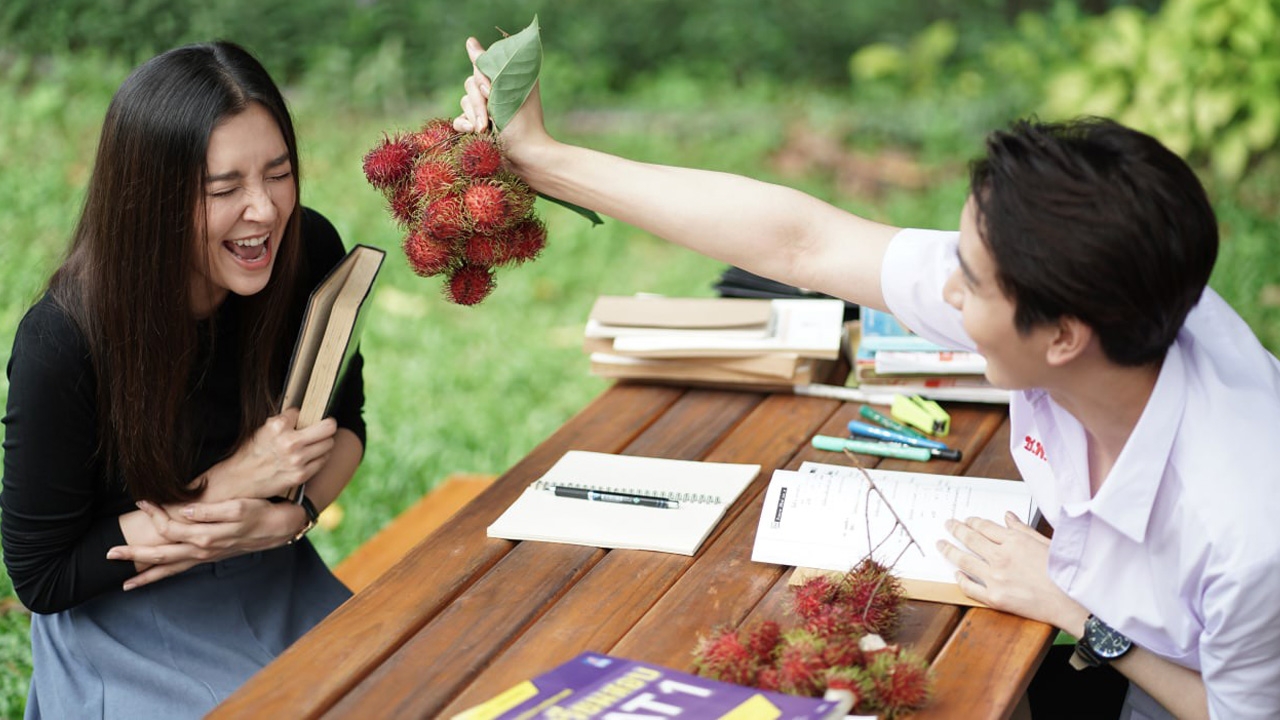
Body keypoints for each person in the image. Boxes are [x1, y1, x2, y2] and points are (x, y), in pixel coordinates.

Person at [452, 36, 1280, 720]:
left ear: (1065, 335)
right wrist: (543, 161)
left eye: (972, 282)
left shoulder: (1246, 524)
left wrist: (1081, 614)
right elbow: (804, 243)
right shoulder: (1100, 294)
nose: (945, 294)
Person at [1, 41, 366, 718]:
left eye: (279, 174)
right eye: (225, 189)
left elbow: (347, 424)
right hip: (125, 615)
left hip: (273, 577)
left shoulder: (306, 250)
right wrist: (232, 483)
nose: (264, 211)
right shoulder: (63, 340)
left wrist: (290, 518)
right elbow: (40, 576)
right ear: (151, 199)